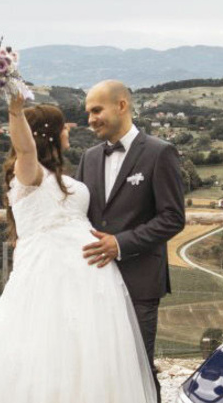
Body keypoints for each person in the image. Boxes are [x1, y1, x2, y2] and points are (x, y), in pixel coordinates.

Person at [0, 94, 162, 403]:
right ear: (50, 133)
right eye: (66, 125)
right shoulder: (30, 173)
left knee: (86, 369)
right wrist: (16, 113)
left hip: (90, 281)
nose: (75, 127)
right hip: (46, 279)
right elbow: (22, 147)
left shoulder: (65, 176)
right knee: (44, 364)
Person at [79, 80, 187, 379]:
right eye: (88, 112)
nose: (90, 119)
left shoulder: (159, 152)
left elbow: (173, 217)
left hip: (139, 282)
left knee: (136, 372)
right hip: (95, 281)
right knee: (99, 370)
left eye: (97, 110)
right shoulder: (88, 157)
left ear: (122, 106)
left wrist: (121, 243)